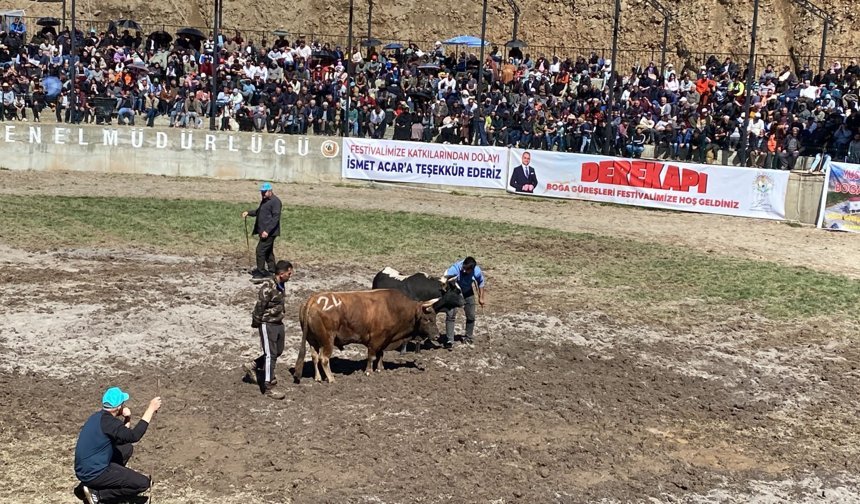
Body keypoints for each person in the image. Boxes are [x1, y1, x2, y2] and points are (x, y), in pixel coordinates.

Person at [73, 387, 162, 504]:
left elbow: (123, 438)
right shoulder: (110, 423)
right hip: (93, 472)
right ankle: (98, 495)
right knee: (143, 484)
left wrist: (127, 418)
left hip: (84, 469)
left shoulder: (98, 417)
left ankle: (84, 488)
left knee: (126, 448)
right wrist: (150, 409)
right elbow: (134, 436)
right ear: (119, 406)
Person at [242, 260, 293, 400]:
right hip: (267, 323)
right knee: (270, 355)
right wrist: (257, 322)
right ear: (281, 274)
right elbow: (259, 307)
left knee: (278, 351)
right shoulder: (267, 287)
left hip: (278, 322)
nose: (291, 275)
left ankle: (252, 365)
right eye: (289, 273)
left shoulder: (281, 284)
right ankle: (269, 386)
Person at [241, 182, 282, 280]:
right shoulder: (265, 200)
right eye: (262, 192)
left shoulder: (276, 202)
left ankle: (261, 272)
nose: (262, 194)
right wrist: (249, 213)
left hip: (269, 233)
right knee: (268, 252)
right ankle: (272, 270)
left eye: (264, 192)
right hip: (263, 232)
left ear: (270, 191)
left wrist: (267, 231)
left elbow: (275, 218)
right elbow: (259, 212)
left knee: (260, 250)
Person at [442, 257, 486, 348]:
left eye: (467, 270)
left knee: (471, 315)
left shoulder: (477, 271)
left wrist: (481, 297)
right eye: (464, 268)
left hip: (467, 292)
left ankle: (468, 337)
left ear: (472, 269)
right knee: (451, 315)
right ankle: (450, 340)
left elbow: (481, 282)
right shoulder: (455, 269)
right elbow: (444, 278)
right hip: (455, 292)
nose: (465, 271)